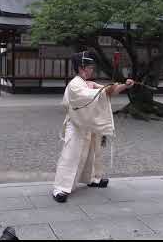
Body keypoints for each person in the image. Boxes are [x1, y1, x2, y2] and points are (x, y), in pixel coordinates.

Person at [52, 51, 135, 203]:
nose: (92, 70)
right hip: (76, 124)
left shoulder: (88, 83)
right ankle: (60, 188)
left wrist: (124, 86)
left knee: (94, 153)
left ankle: (92, 179)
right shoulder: (75, 85)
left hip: (88, 123)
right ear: (81, 68)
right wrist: (107, 89)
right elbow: (94, 94)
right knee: (71, 155)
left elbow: (106, 92)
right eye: (90, 67)